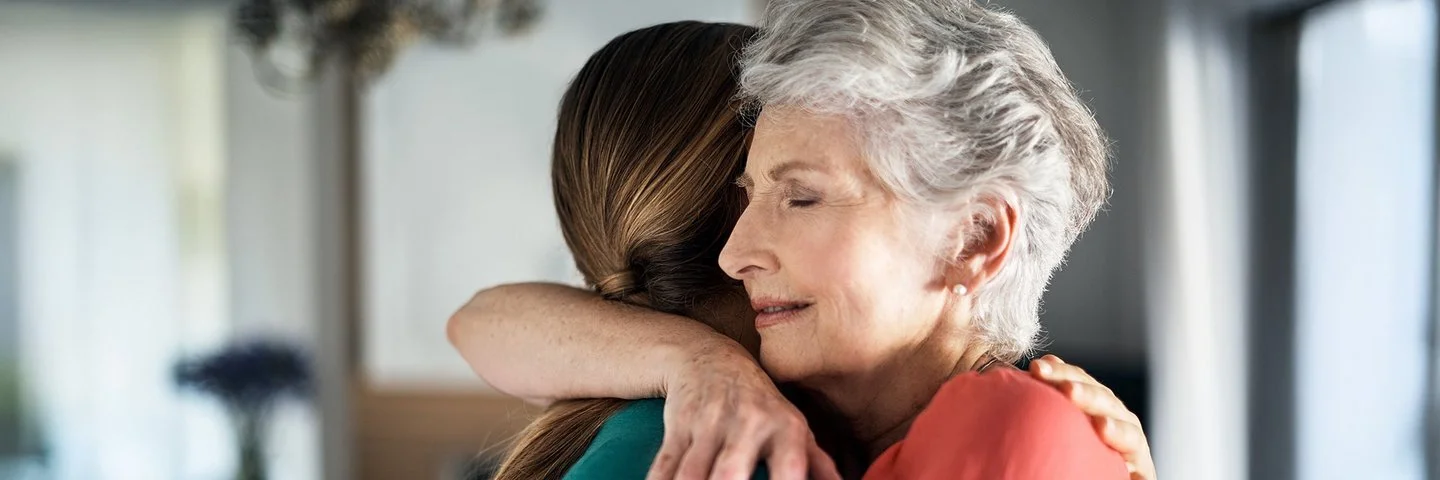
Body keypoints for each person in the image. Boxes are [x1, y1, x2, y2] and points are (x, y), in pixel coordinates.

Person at [451, 2, 1156, 478]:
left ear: (974, 238)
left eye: (802, 195)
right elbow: (479, 321)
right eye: (748, 196)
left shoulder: (1012, 429)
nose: (736, 251)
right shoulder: (747, 428)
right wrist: (698, 362)